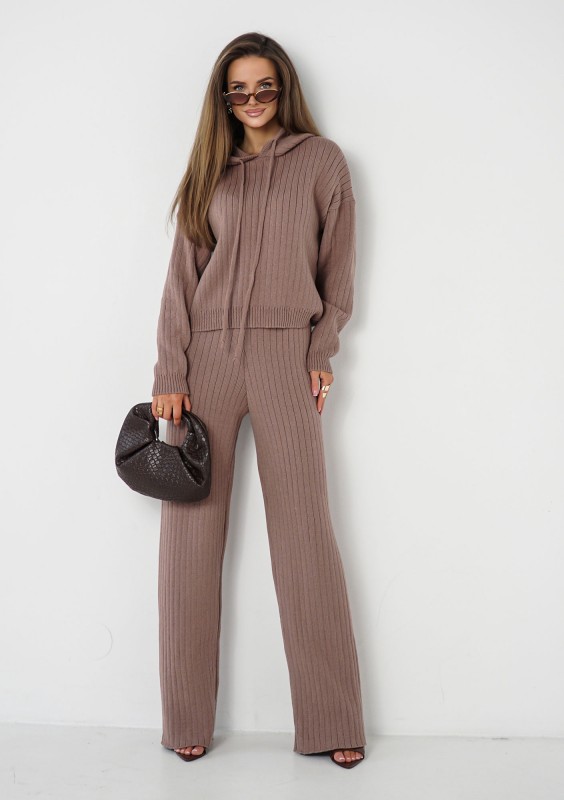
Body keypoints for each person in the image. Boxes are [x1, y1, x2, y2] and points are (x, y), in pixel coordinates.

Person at [151, 31, 366, 769]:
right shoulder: (209, 169)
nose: (252, 100)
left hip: (284, 357)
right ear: (223, 97)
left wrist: (319, 353)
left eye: (264, 87)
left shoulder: (322, 162)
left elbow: (339, 273)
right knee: (188, 541)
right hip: (205, 360)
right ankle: (185, 717)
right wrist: (169, 371)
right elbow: (180, 279)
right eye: (237, 90)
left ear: (284, 89)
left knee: (305, 537)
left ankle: (333, 720)